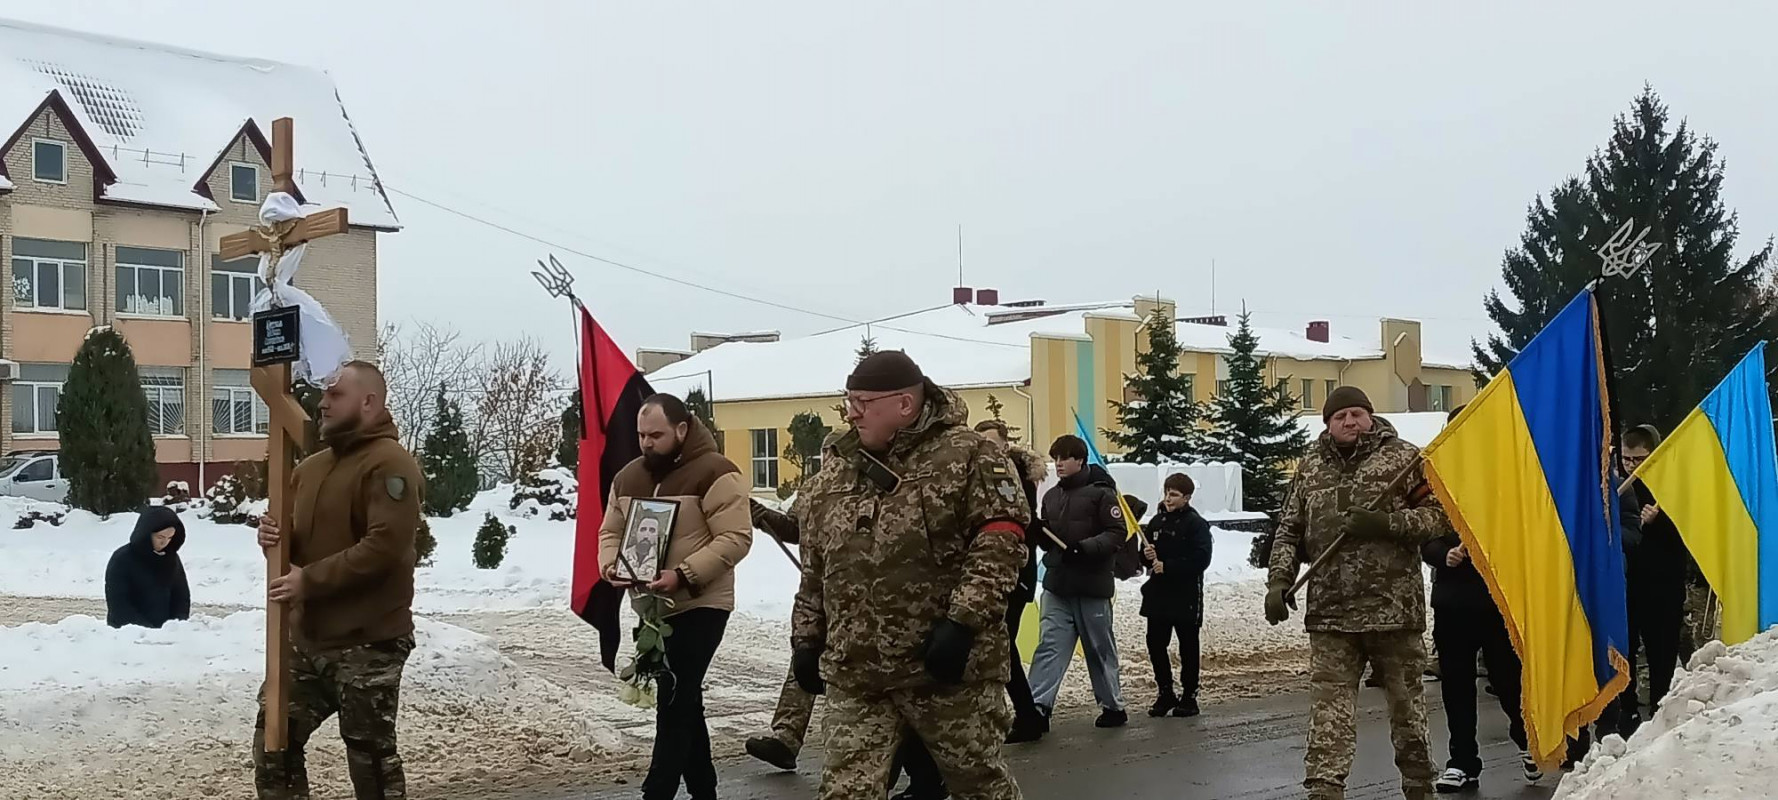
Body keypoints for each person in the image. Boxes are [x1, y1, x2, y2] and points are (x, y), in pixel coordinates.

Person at [791, 351, 1029, 800]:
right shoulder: (836, 469)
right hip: (858, 674)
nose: (851, 411)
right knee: (845, 791)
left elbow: (1000, 543)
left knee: (979, 786)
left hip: (947, 671)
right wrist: (806, 639)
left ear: (904, 404)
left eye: (862, 401)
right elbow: (815, 567)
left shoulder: (970, 456)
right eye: (848, 400)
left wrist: (962, 624)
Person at [1265, 386, 1447, 800]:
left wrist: (1388, 524)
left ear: (1370, 416)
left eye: (1357, 414)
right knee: (1329, 711)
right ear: (1327, 423)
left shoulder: (1404, 458)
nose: (1349, 422)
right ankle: (1324, 789)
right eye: (1340, 416)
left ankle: (1419, 785)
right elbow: (1289, 530)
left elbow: (1439, 516)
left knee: (1407, 709)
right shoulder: (1310, 466)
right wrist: (1279, 580)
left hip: (1393, 611)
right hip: (1331, 613)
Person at [253, 361, 424, 800]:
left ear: (368, 402)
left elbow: (384, 547)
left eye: (335, 395)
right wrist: (275, 537)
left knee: (370, 759)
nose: (322, 403)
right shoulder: (310, 468)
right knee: (274, 742)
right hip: (308, 639)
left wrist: (308, 581)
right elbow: (303, 537)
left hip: (368, 642)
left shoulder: (391, 464)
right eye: (324, 394)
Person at [599, 393, 753, 800]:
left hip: (702, 602)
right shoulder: (628, 476)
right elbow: (611, 531)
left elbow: (736, 538)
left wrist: (684, 575)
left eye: (656, 435)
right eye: (641, 435)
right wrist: (612, 565)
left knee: (673, 695)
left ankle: (658, 791)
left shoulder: (718, 472)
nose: (647, 443)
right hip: (653, 608)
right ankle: (704, 789)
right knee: (684, 699)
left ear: (682, 430)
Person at [1422, 405, 1538, 792]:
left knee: (1508, 681)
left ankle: (1527, 741)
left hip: (1497, 603)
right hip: (1453, 604)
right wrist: (1444, 554)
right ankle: (1462, 761)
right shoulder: (1437, 480)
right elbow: (1424, 534)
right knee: (1456, 685)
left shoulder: (1506, 477)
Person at [1027, 434, 1129, 729]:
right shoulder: (1051, 497)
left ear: (1080, 460)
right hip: (1058, 585)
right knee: (1049, 645)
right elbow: (1051, 543)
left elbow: (1116, 533)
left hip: (1092, 585)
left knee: (1098, 647)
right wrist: (1040, 533)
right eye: (1056, 458)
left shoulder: (1101, 494)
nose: (1058, 464)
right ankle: (1038, 706)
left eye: (1065, 458)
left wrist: (1084, 548)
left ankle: (1112, 705)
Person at [1619, 424, 1689, 724]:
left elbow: (1690, 535)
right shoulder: (1616, 487)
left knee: (1662, 653)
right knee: (1625, 652)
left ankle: (1662, 707)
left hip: (1663, 586)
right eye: (1626, 459)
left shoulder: (1672, 485)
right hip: (1627, 585)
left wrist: (1662, 522)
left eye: (1639, 459)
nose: (1632, 466)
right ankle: (1627, 709)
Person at [1140, 473, 1213, 718]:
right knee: (1155, 643)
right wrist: (1146, 554)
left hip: (1185, 595)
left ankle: (1189, 695)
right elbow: (1144, 553)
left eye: (1174, 495)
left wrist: (1169, 566)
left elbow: (1201, 559)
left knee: (1188, 646)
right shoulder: (1157, 521)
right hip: (1159, 594)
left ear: (1187, 497)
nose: (1168, 499)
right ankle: (1165, 691)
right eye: (1166, 493)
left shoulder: (1196, 524)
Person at [105, 504, 191, 629]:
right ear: (146, 533)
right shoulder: (122, 559)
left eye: (170, 538)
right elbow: (119, 604)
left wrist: (176, 626)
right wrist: (146, 631)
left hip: (166, 636)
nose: (164, 542)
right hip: (128, 635)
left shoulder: (171, 559)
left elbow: (181, 597)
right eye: (160, 537)